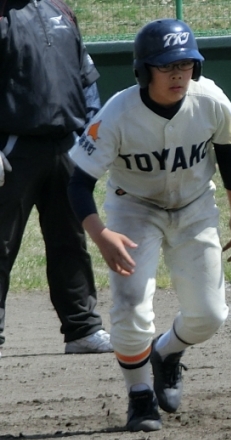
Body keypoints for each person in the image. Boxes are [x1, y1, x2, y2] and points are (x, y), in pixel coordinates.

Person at [68, 18, 231, 432]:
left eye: (185, 64)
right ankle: (139, 395)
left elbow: (228, 150)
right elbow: (78, 183)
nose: (177, 74)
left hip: (194, 207)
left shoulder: (210, 100)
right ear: (143, 70)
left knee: (209, 315)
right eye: (166, 66)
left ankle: (166, 353)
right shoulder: (117, 114)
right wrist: (101, 234)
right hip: (133, 210)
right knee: (131, 307)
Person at [0, 0, 113, 354]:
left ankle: (82, 329)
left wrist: (91, 134)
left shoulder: (60, 9)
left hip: (67, 146)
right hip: (12, 150)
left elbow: (85, 79)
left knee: (70, 240)